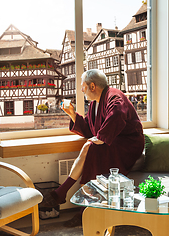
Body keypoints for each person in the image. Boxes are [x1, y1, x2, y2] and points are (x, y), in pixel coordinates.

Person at [40, 69, 144, 227]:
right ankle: (79, 206)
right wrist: (72, 114)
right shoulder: (95, 103)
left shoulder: (114, 97)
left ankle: (63, 194)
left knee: (90, 147)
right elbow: (90, 129)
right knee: (91, 148)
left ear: (93, 86)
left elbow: (117, 114)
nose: (82, 90)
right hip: (113, 140)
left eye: (83, 87)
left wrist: (102, 138)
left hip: (128, 144)